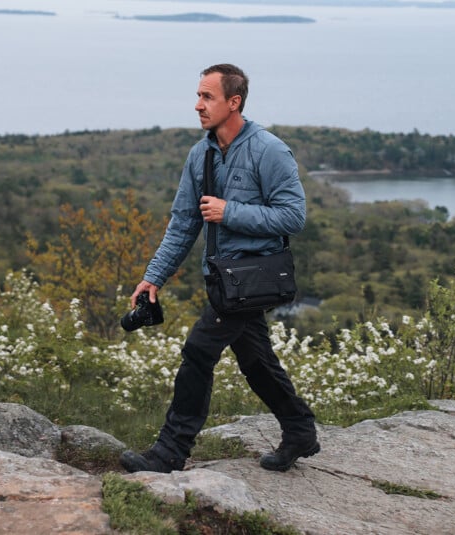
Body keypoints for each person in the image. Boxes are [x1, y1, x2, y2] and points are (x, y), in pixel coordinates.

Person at [119, 64, 319, 474]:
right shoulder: (200, 154)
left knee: (198, 352)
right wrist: (154, 277)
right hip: (223, 282)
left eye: (207, 97)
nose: (197, 105)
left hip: (254, 279)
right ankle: (299, 431)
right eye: (198, 95)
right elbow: (184, 223)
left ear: (234, 102)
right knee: (257, 361)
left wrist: (231, 212)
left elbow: (293, 217)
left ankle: (169, 452)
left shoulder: (270, 150)